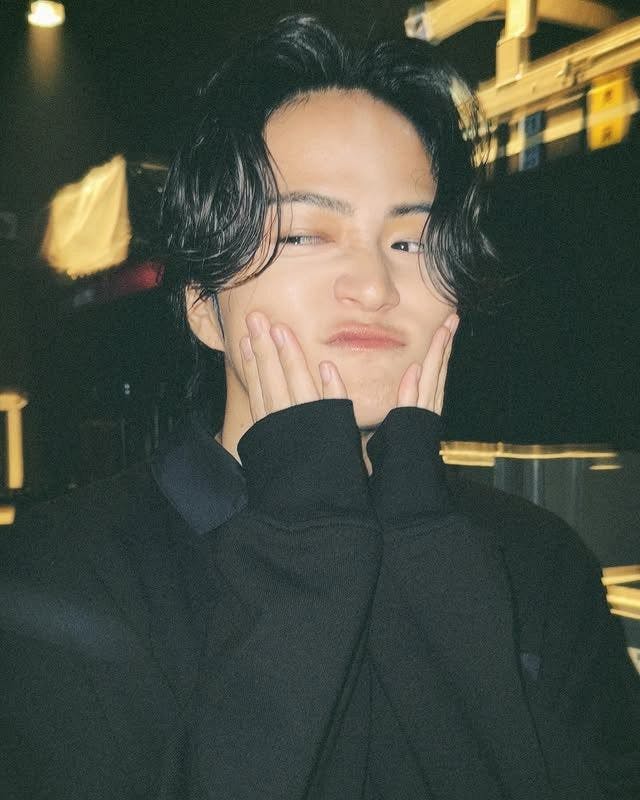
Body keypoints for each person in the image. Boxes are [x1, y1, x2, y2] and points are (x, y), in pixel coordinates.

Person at [2, 15, 638, 800]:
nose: (374, 286)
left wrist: (430, 557)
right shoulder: (54, 582)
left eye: (410, 242)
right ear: (203, 305)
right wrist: (303, 548)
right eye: (306, 235)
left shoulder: (538, 565)